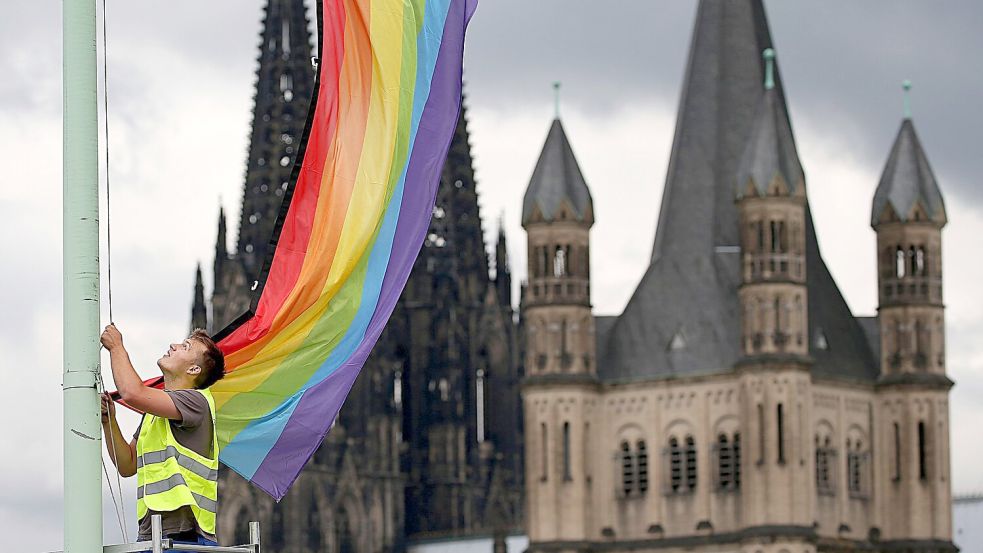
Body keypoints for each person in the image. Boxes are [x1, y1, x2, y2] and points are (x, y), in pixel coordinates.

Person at [100, 324, 225, 549]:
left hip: (186, 536)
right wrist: (110, 421)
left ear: (194, 370)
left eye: (185, 346)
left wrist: (117, 348)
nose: (173, 346)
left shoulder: (196, 401)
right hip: (152, 533)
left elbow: (132, 392)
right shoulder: (154, 413)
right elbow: (127, 464)